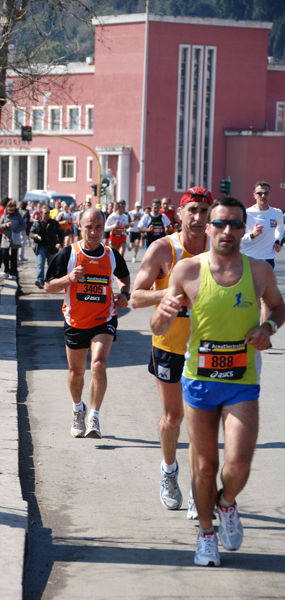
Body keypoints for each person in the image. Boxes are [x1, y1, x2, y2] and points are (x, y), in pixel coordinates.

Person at [150, 195, 285, 567]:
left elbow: (278, 306)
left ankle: (226, 503)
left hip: (241, 380)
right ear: (207, 227)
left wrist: (268, 326)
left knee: (238, 466)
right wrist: (162, 314)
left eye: (236, 225)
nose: (228, 231)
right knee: (205, 466)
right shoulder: (187, 271)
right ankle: (206, 534)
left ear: (245, 229)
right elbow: (157, 326)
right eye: (221, 223)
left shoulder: (259, 271)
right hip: (199, 381)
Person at [131, 187, 213, 516]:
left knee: (202, 421)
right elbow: (135, 296)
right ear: (179, 214)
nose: (197, 217)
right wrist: (167, 296)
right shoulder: (163, 249)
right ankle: (168, 471)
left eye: (203, 211)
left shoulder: (217, 250)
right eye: (191, 210)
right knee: (174, 417)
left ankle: (200, 488)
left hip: (208, 347)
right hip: (168, 346)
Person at [44, 208, 130, 439]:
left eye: (98, 227)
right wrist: (69, 278)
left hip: (104, 319)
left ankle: (94, 417)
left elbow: (124, 277)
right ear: (79, 226)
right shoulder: (68, 254)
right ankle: (77, 410)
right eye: (89, 227)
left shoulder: (111, 255)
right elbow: (48, 286)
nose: (93, 232)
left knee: (99, 365)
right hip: (75, 321)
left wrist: (125, 294)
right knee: (77, 373)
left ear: (104, 228)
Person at [241, 181, 284, 321]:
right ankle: (247, 330)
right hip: (249, 259)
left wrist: (277, 242)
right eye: (259, 193)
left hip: (267, 259)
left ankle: (263, 336)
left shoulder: (276, 213)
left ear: (270, 194)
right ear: (254, 195)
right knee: (249, 298)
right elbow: (239, 239)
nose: (263, 196)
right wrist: (252, 235)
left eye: (266, 193)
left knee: (265, 298)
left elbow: (279, 230)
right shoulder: (247, 214)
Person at [30, 205, 64, 289]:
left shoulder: (54, 223)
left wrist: (59, 243)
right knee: (40, 264)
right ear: (41, 214)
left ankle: (50, 281)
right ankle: (40, 281)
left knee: (51, 265)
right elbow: (30, 233)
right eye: (46, 213)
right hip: (41, 246)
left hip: (52, 247)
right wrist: (34, 235)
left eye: (48, 213)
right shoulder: (37, 223)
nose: (47, 214)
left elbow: (61, 233)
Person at [0, 199, 26, 284]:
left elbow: (24, 224)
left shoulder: (18, 215)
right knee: (5, 255)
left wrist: (17, 230)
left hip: (15, 237)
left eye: (12, 210)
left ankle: (13, 272)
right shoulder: (5, 214)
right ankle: (6, 271)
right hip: (6, 238)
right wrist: (5, 225)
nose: (11, 212)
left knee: (14, 257)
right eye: (9, 210)